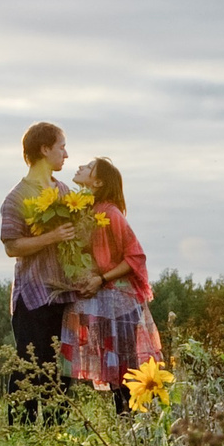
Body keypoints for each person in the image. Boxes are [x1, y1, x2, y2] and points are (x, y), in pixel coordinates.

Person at [0, 122, 97, 422]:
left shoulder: (64, 191)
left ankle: (56, 432)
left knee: (60, 370)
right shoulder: (16, 197)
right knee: (29, 368)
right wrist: (51, 238)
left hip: (63, 295)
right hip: (33, 297)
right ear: (44, 149)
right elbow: (12, 246)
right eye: (61, 147)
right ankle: (22, 433)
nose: (66, 154)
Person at [61, 156, 164, 413]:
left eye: (88, 167)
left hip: (120, 303)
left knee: (125, 370)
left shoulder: (110, 213)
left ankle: (134, 423)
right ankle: (128, 424)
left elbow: (135, 257)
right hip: (102, 301)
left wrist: (102, 278)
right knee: (114, 368)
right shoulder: (86, 211)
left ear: (97, 182)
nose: (80, 167)